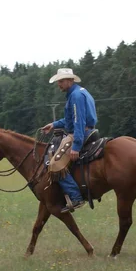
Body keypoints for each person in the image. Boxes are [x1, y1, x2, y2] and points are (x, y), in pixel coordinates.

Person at [42, 68, 98, 212]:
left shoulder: (76, 96)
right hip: (86, 130)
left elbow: (78, 121)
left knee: (54, 164)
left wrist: (76, 146)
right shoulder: (79, 92)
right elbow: (70, 120)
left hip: (79, 134)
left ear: (70, 80)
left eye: (61, 81)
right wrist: (53, 125)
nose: (58, 84)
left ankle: (75, 197)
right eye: (58, 82)